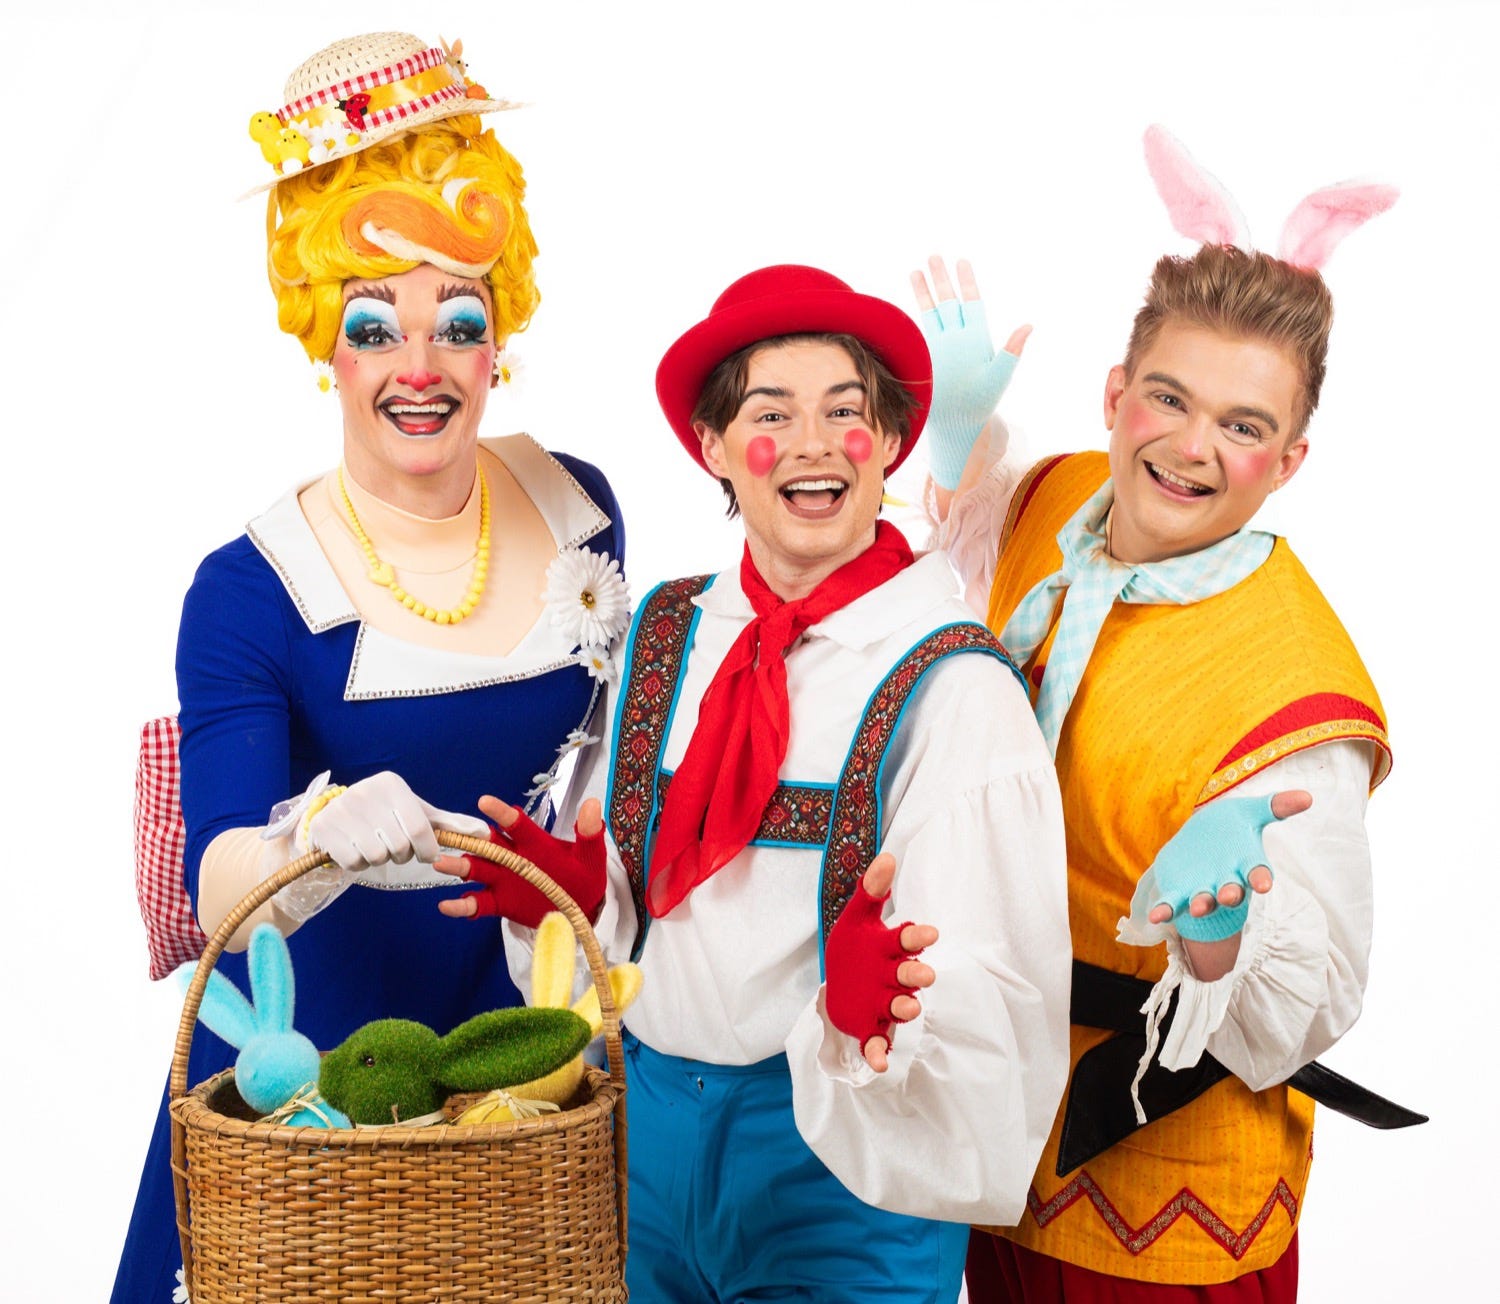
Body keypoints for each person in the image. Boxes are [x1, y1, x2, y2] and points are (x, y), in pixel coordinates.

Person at [437, 264, 1072, 1302]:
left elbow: (1001, 981)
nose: (814, 443)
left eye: (845, 412)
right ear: (715, 447)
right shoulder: (663, 632)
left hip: (844, 1173)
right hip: (640, 1149)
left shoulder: (955, 681)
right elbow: (643, 919)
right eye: (773, 414)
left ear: (889, 444)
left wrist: (887, 1016)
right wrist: (579, 905)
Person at [112, 31, 628, 1303]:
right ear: (324, 344)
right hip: (308, 1096)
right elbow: (217, 879)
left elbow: (611, 770)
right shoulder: (248, 589)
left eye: (459, 322)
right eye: (373, 326)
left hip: (521, 1078)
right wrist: (313, 835)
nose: (420, 368)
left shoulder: (585, 511)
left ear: (501, 335)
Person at [914, 127, 1409, 1300]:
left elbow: (1307, 1006)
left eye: (1242, 425)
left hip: (1163, 1208)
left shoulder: (1294, 687)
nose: (1192, 448)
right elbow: (973, 541)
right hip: (993, 1131)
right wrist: (955, 438)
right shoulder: (1061, 497)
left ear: (1288, 461)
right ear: (1116, 395)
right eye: (1169, 399)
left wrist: (1220, 932)